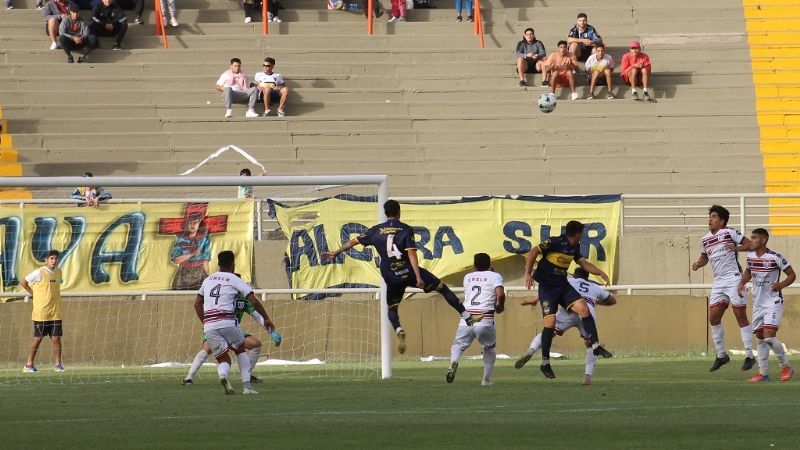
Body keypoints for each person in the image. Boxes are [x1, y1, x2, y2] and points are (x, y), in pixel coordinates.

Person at [321, 200, 484, 354]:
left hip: (390, 273)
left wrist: (335, 253)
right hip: (407, 269)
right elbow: (412, 254)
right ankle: (467, 317)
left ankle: (399, 330)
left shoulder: (375, 230)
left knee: (392, 308)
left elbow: (352, 242)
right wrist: (418, 277)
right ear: (399, 212)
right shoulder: (405, 229)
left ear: (386, 213)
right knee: (442, 288)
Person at [523, 220, 612, 379]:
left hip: (563, 286)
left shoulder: (574, 247)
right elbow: (533, 252)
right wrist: (528, 274)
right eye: (582, 232)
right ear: (577, 233)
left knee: (584, 309)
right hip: (548, 289)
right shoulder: (555, 241)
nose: (583, 235)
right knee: (549, 324)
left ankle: (596, 345)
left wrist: (600, 273)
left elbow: (584, 264)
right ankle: (545, 363)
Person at [515, 268, 617, 385]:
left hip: (569, 311)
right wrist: (595, 301)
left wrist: (535, 299)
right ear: (587, 277)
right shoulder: (594, 287)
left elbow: (550, 289)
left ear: (574, 276)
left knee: (548, 332)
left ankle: (531, 350)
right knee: (591, 346)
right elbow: (612, 300)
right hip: (586, 314)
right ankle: (587, 378)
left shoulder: (568, 281)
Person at [194, 251, 275, 395]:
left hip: (210, 325)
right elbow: (253, 300)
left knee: (223, 359)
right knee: (240, 351)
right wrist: (267, 318)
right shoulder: (234, 278)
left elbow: (197, 304)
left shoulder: (208, 279)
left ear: (218, 264)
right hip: (227, 321)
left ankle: (223, 376)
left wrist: (205, 322)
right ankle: (247, 387)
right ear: (233, 264)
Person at [183, 273, 280, 386]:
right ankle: (189, 377)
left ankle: (246, 374)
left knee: (256, 344)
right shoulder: (224, 296)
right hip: (217, 327)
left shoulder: (243, 300)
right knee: (207, 349)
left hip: (231, 330)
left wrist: (272, 332)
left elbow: (257, 316)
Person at [691, 205, 755, 372]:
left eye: (713, 217)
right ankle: (721, 355)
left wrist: (737, 248)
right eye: (710, 216)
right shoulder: (705, 239)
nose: (710, 220)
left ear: (722, 220)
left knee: (740, 315)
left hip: (734, 278)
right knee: (713, 318)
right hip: (718, 282)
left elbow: (750, 244)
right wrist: (698, 264)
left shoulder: (730, 232)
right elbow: (704, 257)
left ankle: (749, 355)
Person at [738, 229, 795, 382]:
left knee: (769, 336)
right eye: (751, 237)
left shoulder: (775, 257)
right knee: (760, 338)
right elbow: (749, 271)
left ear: (763, 240)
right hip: (758, 304)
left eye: (754, 238)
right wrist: (741, 283)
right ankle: (763, 374)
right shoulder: (750, 256)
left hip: (773, 303)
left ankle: (786, 366)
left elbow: (792, 275)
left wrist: (781, 284)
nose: (751, 240)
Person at [445, 253, 505, 386]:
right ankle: (486, 380)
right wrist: (500, 306)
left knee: (458, 346)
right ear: (490, 264)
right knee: (489, 348)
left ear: (474, 265)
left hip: (467, 317)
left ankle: (454, 362)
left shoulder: (467, 277)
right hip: (485, 317)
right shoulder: (495, 276)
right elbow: (500, 294)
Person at [20, 250, 65, 373]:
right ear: (46, 260)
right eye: (51, 258)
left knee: (56, 338)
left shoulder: (58, 272)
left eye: (56, 259)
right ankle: (28, 365)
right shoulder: (38, 272)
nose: (54, 261)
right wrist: (33, 293)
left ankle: (58, 365)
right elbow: (23, 282)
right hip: (41, 312)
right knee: (38, 338)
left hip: (55, 311)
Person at [170, 212, 211, 290]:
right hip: (183, 273)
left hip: (199, 273)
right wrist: (192, 254)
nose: (192, 225)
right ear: (187, 224)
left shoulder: (204, 240)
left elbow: (205, 260)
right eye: (190, 223)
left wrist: (208, 277)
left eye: (195, 222)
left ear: (199, 224)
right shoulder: (181, 239)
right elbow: (175, 259)